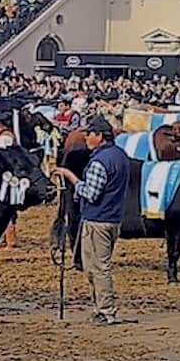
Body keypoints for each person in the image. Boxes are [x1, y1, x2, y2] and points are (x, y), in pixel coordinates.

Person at [52, 115, 129, 325]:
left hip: (97, 219)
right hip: (113, 218)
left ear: (100, 136)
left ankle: (105, 310)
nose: (86, 138)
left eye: (90, 134)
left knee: (98, 267)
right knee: (96, 265)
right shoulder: (120, 156)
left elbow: (90, 193)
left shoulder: (99, 162)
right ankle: (101, 308)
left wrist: (72, 178)